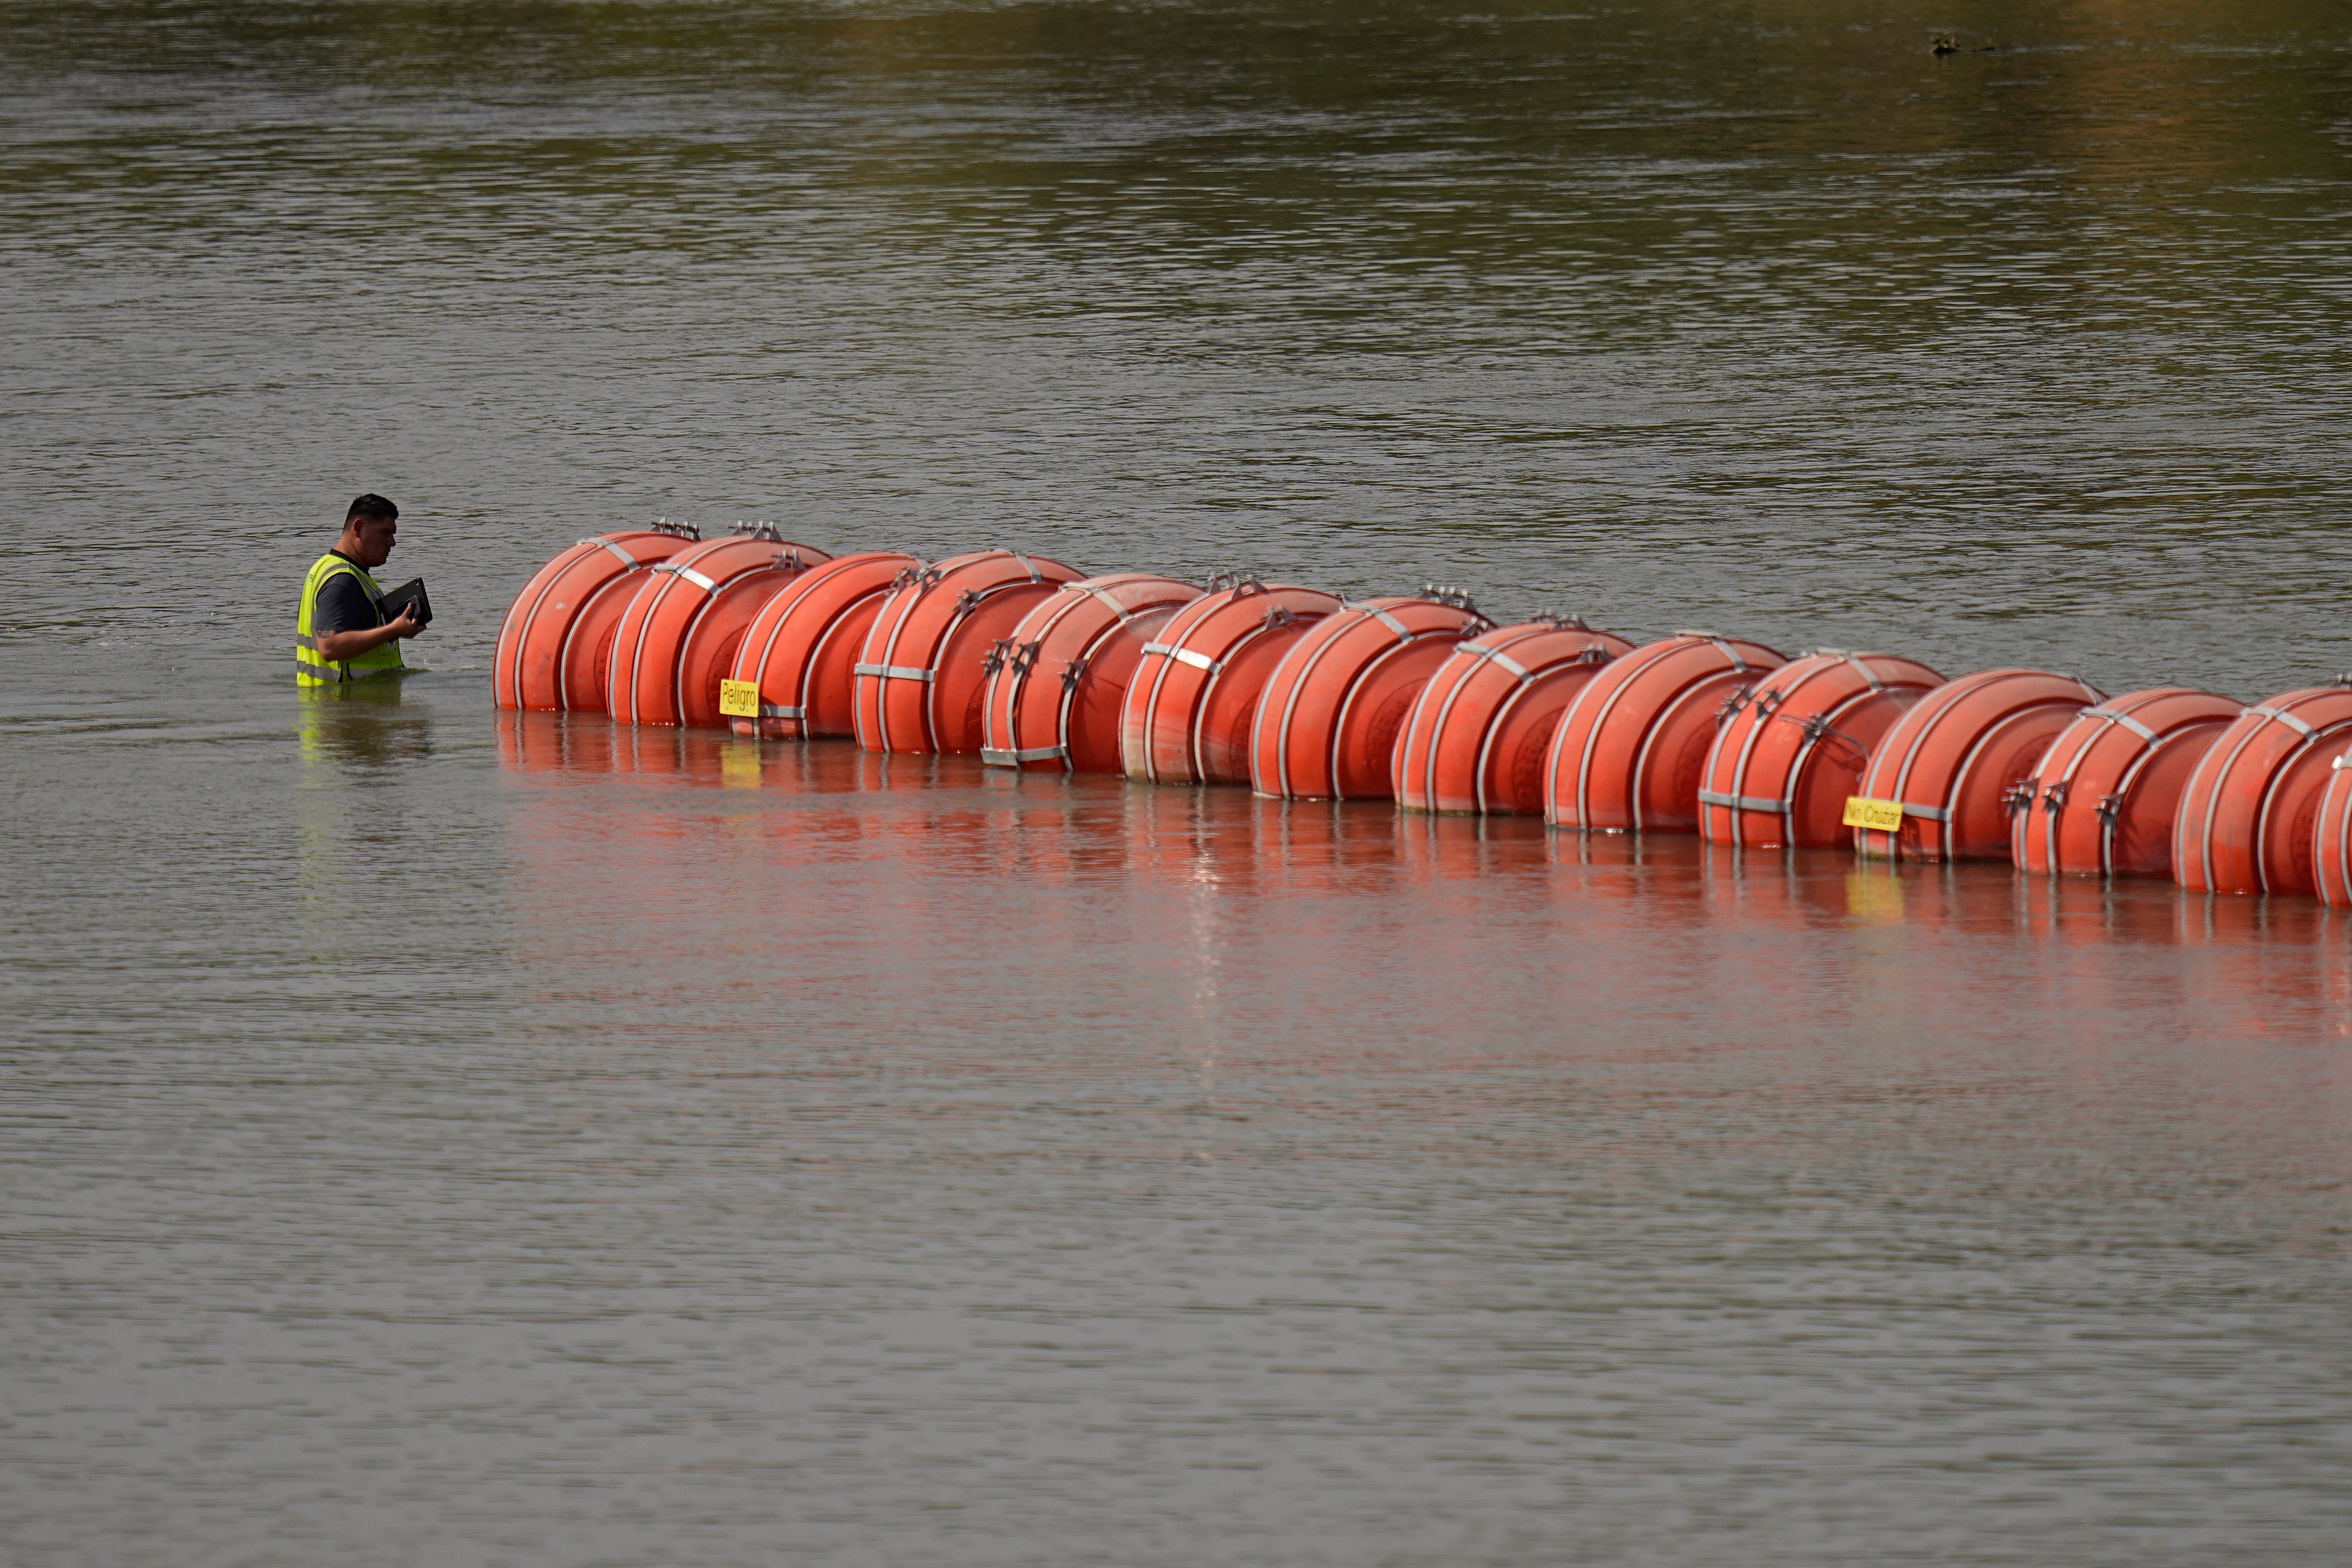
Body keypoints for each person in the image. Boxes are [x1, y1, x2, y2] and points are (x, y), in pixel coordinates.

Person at [295, 494, 426, 685]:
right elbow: (329, 647)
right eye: (385, 533)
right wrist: (393, 630)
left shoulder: (330, 568)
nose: (392, 542)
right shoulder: (342, 581)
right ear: (358, 528)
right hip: (344, 706)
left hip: (337, 705)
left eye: (393, 534)